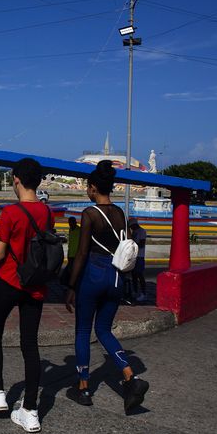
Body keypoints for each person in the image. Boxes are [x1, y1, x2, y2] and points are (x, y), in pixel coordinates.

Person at [64, 160, 149, 412]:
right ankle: (130, 377)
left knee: (82, 331)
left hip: (93, 274)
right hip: (115, 278)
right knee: (104, 331)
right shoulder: (120, 214)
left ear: (92, 188)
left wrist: (70, 285)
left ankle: (83, 388)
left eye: (88, 188)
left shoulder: (90, 214)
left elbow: (81, 254)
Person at [0, 157, 51, 433]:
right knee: (30, 345)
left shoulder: (10, 213)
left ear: (17, 181)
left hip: (10, 281)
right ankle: (30, 411)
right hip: (35, 286)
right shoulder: (46, 212)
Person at [128, 218, 148, 302]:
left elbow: (142, 244)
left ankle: (143, 293)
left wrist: (132, 245)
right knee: (134, 275)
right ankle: (135, 291)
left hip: (139, 256)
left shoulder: (142, 231)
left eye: (132, 226)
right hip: (134, 256)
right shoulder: (134, 232)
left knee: (140, 275)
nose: (131, 228)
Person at [63, 216, 80, 282]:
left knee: (73, 269)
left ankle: (71, 282)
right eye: (69, 223)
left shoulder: (79, 230)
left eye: (72, 222)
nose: (70, 224)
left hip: (77, 254)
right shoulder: (70, 230)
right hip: (70, 254)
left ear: (75, 222)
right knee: (70, 269)